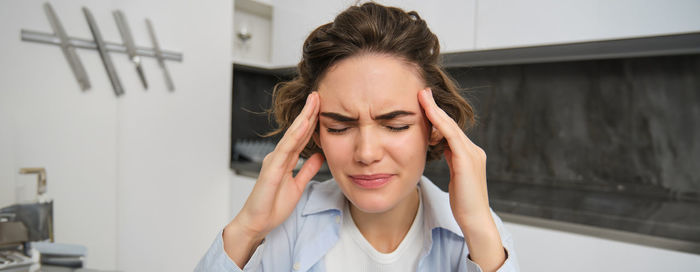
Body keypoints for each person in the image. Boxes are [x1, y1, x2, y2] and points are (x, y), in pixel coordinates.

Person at [196, 2, 518, 271]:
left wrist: (479, 233)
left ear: (435, 126)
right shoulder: (289, 226)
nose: (366, 153)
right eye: (339, 127)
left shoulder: (477, 232)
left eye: (395, 125)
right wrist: (248, 227)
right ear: (316, 131)